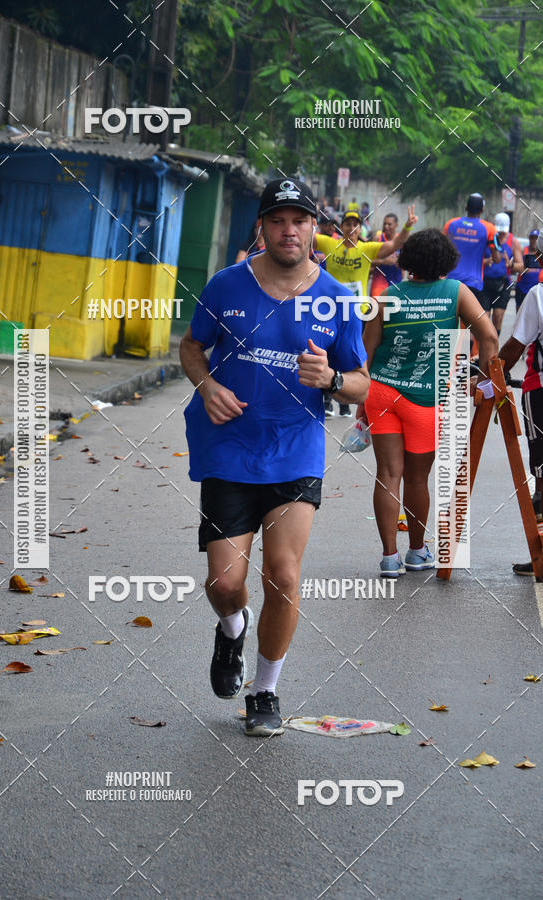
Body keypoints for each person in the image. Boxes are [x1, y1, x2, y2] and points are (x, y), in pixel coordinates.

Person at [179, 177, 369, 735]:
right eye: (279, 219)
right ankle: (233, 628)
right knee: (225, 585)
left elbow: (361, 383)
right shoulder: (224, 286)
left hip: (295, 451)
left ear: (316, 229)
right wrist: (207, 386)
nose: (290, 230)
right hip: (230, 452)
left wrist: (333, 378)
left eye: (301, 220)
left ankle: (265, 692)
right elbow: (193, 346)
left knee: (283, 575)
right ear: (261, 227)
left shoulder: (337, 297)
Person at [359, 228, 499, 576]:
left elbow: (366, 353)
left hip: (382, 391)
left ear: (408, 261)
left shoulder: (387, 297)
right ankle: (417, 551)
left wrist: (362, 399)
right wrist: (480, 379)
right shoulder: (456, 292)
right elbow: (490, 337)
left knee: (388, 474)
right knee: (418, 479)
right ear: (447, 261)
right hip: (426, 398)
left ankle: (389, 558)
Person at [315, 205, 418, 416]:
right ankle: (326, 400)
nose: (351, 228)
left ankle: (343, 403)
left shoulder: (366, 249)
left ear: (360, 229)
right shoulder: (330, 244)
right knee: (324, 351)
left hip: (356, 311)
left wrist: (407, 226)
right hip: (329, 310)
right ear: (341, 227)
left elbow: (394, 244)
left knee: (347, 355)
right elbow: (310, 236)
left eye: (355, 224)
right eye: (347, 224)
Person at [499, 233, 543, 575]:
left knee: (541, 474)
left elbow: (514, 348)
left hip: (540, 391)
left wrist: (490, 378)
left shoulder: (538, 295)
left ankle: (542, 558)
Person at [443, 192, 501, 307]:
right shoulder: (489, 228)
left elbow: (441, 249)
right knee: (468, 321)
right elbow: (497, 259)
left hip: (451, 280)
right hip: (473, 282)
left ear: (466, 207)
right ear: (482, 210)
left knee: (451, 317)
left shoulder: (450, 224)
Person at [482, 212, 524, 335]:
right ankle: (482, 349)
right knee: (484, 318)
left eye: (503, 232)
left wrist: (510, 264)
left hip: (503, 284)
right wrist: (485, 261)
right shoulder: (487, 238)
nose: (501, 235)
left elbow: (521, 266)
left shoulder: (513, 241)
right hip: (485, 283)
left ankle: (494, 350)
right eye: (498, 231)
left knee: (498, 317)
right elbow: (474, 260)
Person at [370, 213, 403, 297]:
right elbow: (368, 261)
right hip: (379, 279)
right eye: (384, 224)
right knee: (377, 307)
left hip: (396, 280)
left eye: (389, 224)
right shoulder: (378, 239)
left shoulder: (401, 240)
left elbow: (408, 262)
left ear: (396, 225)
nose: (386, 226)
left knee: (393, 309)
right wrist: (383, 261)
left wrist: (402, 263)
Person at [516, 229, 543, 311]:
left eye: (536, 238)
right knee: (520, 312)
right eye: (532, 238)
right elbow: (515, 266)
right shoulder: (523, 250)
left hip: (537, 288)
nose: (533, 240)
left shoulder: (541, 254)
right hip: (522, 287)